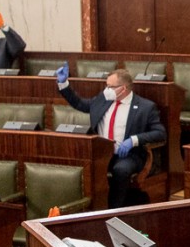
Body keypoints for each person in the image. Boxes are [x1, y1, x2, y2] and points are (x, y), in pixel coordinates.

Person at [55, 66, 167, 208]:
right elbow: (80, 104)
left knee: (120, 170)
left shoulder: (145, 107)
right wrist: (63, 84)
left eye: (110, 87)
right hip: (101, 153)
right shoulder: (103, 100)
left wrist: (133, 140)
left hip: (128, 155)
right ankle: (89, 208)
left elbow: (160, 133)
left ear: (123, 88)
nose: (106, 90)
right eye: (106, 86)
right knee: (82, 166)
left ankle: (114, 209)